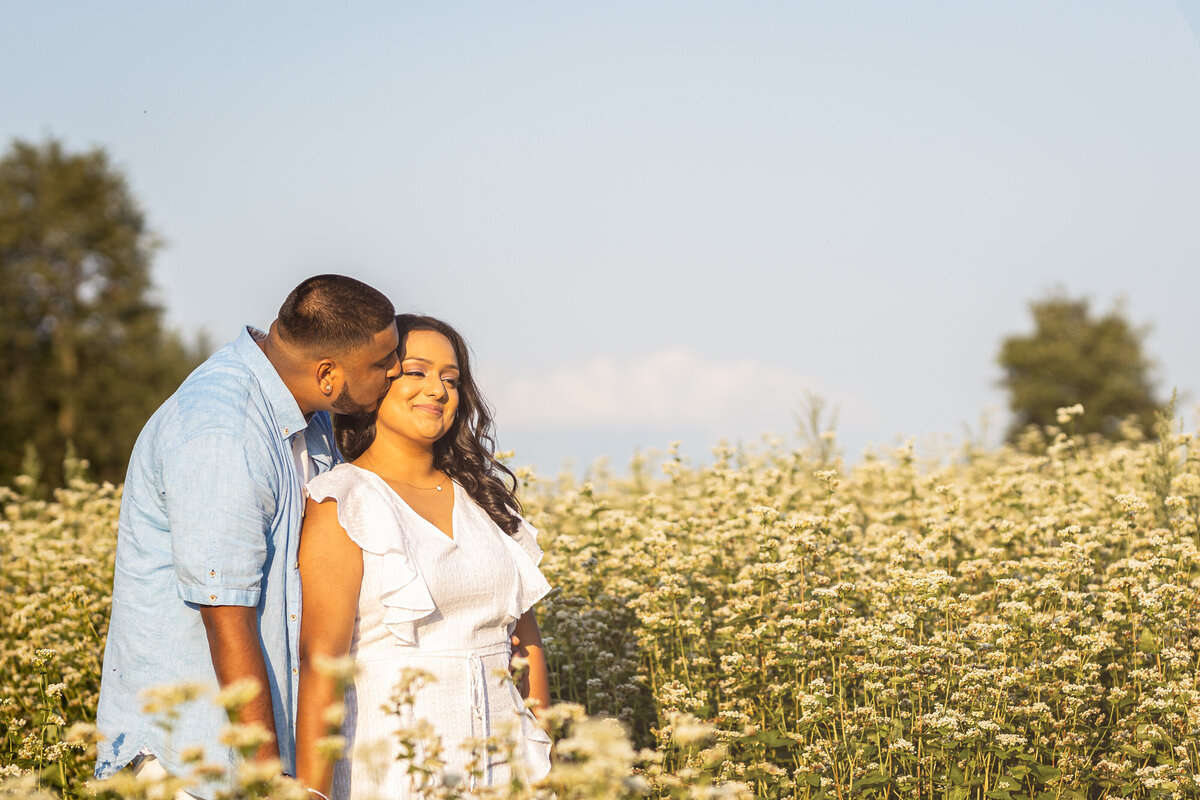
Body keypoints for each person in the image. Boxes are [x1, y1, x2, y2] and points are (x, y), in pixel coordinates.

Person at [94, 275, 402, 799]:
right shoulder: (224, 430)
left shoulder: (309, 410)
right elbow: (226, 615)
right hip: (195, 762)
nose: (396, 371)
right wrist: (266, 775)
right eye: (383, 362)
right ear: (327, 373)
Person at [295, 314, 553, 799]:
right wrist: (311, 791)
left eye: (451, 379)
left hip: (508, 767)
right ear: (377, 383)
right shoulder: (343, 500)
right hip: (393, 768)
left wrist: (546, 761)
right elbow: (319, 663)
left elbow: (526, 642)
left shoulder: (484, 501)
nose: (437, 389)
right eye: (416, 372)